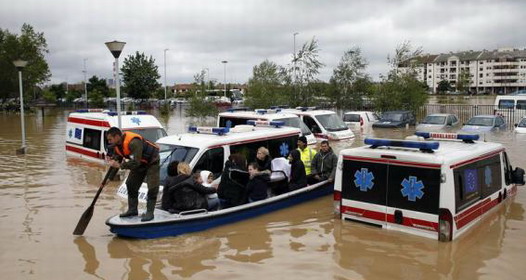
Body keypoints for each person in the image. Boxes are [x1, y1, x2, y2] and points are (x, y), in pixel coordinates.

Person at [106, 127, 160, 222]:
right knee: (130, 183)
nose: (109, 142)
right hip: (139, 163)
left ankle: (150, 212)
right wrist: (109, 178)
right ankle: (132, 210)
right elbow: (116, 162)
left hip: (152, 162)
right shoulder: (116, 146)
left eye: (110, 139)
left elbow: (135, 163)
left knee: (152, 187)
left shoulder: (133, 142)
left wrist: (120, 165)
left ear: (117, 136)